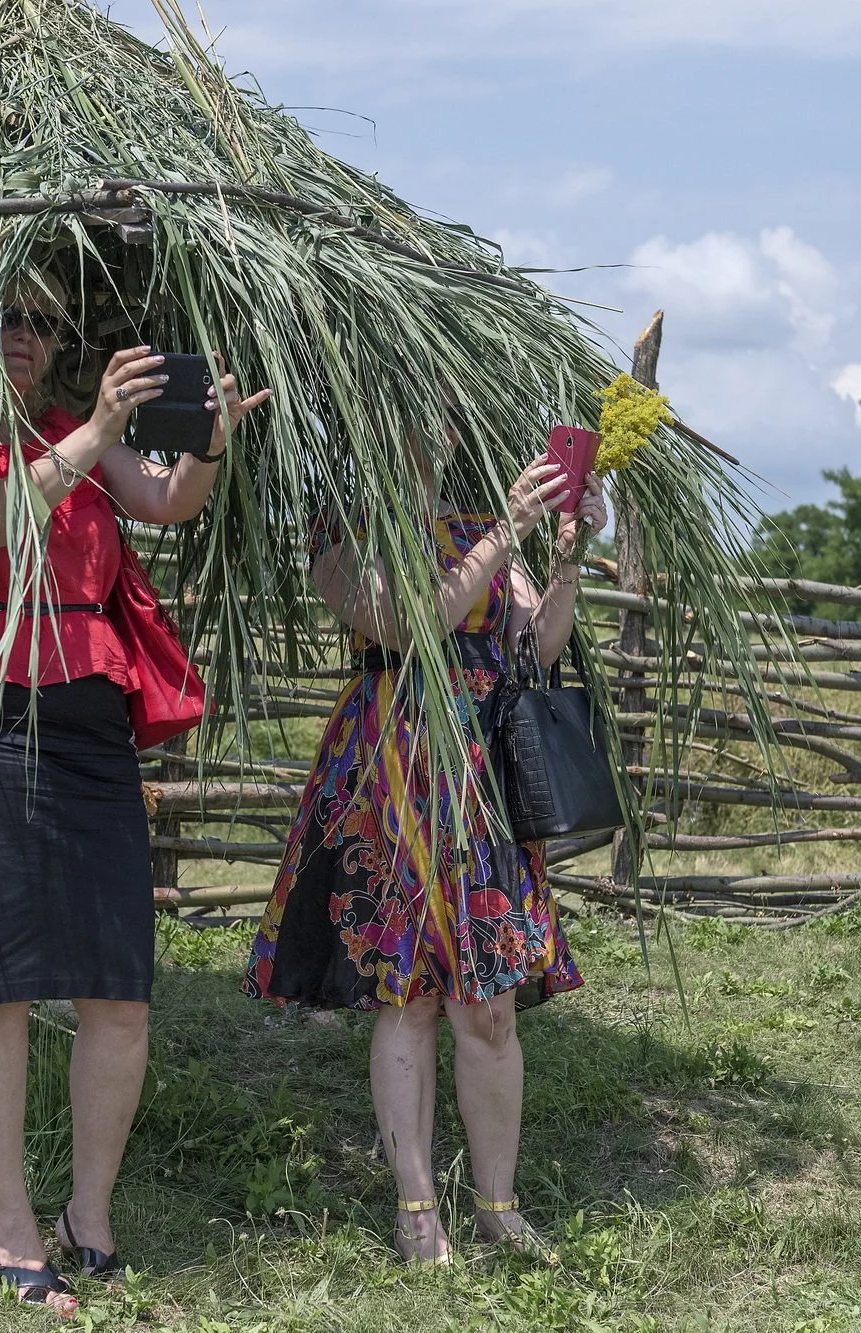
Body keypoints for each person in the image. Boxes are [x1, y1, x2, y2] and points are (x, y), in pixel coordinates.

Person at [0, 270, 270, 1312]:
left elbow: (166, 502)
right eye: (5, 319)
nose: (22, 336)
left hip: (88, 727)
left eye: (41, 324)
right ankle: (9, 1221)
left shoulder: (76, 428)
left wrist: (201, 440)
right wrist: (95, 429)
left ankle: (88, 1215)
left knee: (118, 984)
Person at [243, 428, 608, 1265]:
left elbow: (536, 650)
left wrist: (564, 556)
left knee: (489, 1002)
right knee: (403, 992)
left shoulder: (482, 515)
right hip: (395, 765)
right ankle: (417, 1213)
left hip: (482, 767)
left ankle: (498, 1207)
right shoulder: (343, 526)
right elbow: (409, 623)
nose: (438, 428)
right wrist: (506, 532)